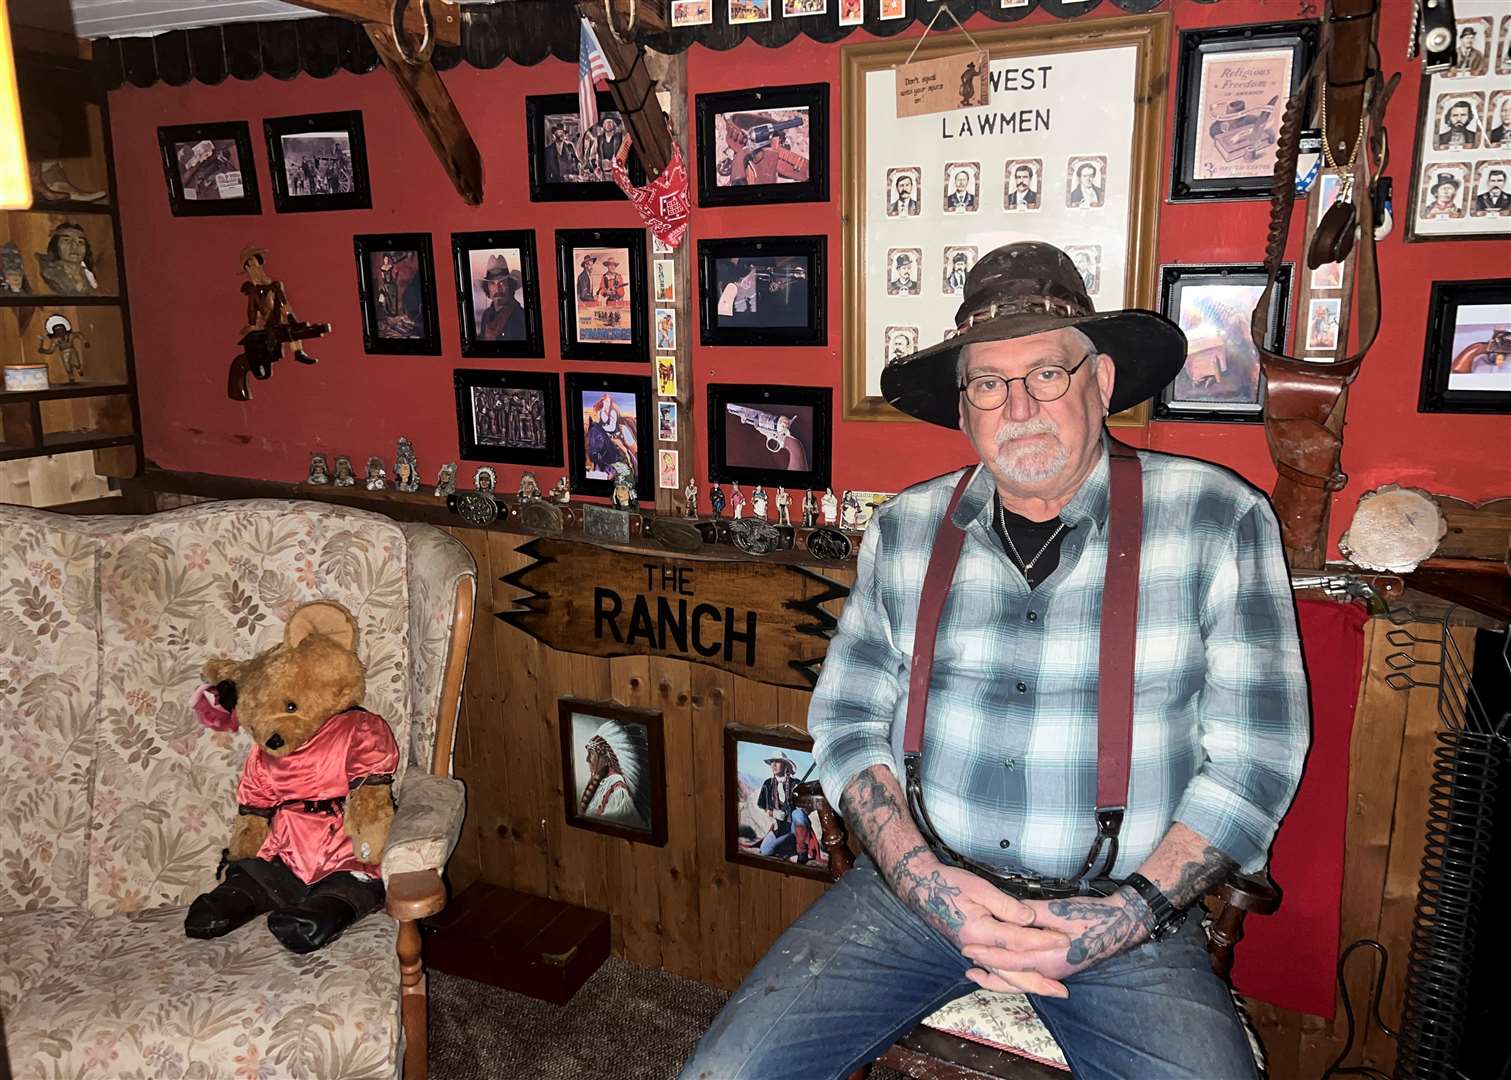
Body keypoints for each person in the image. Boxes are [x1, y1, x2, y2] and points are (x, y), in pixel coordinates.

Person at [679, 241, 1308, 1080]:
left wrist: (1121, 918)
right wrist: (919, 880)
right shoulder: (904, 529)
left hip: (1128, 919)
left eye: (1046, 373)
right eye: (988, 383)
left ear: (1102, 382)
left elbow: (1255, 760)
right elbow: (845, 721)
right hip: (914, 897)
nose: (1019, 406)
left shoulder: (1218, 520)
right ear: (964, 406)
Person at [580, 720, 651, 830]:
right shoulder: (603, 783)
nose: (587, 759)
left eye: (591, 754)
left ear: (605, 757)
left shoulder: (618, 791)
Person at [751, 754, 815, 863]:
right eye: (772, 762)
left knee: (797, 814)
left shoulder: (796, 783)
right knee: (765, 851)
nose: (774, 765)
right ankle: (790, 843)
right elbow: (763, 805)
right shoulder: (768, 784)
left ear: (785, 765)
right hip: (780, 828)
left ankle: (802, 852)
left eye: (777, 762)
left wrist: (798, 793)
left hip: (796, 825)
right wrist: (773, 813)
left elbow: (807, 806)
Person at [477, 255, 525, 341]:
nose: (497, 289)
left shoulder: (521, 317)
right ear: (487, 288)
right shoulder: (486, 315)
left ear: (510, 285)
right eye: (492, 283)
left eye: (502, 282)